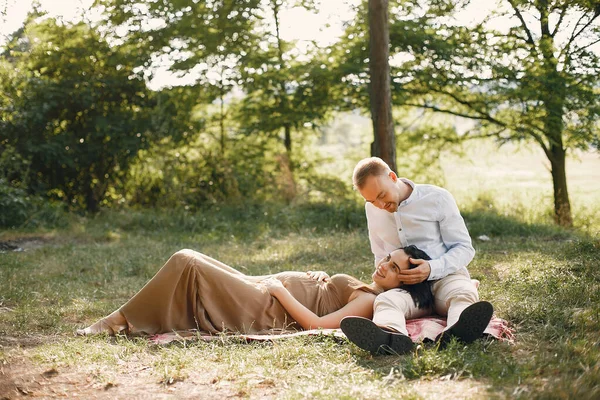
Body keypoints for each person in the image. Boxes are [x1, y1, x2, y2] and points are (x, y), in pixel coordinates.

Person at [76, 246, 430, 336]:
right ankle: (124, 319)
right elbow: (328, 294)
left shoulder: (372, 300)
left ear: (405, 282)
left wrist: (280, 290)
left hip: (267, 308)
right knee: (194, 260)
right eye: (389, 258)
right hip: (265, 291)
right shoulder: (365, 285)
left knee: (187, 261)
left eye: (395, 268)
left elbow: (320, 325)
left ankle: (115, 321)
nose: (385, 265)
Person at [340, 157, 493, 356]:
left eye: (382, 195)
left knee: (462, 292)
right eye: (371, 201)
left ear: (392, 177)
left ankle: (457, 331)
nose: (379, 205)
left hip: (444, 277)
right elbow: (379, 253)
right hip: (405, 288)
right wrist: (384, 283)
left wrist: (431, 268)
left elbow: (464, 248)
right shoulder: (373, 209)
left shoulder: (437, 198)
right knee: (386, 302)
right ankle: (390, 337)